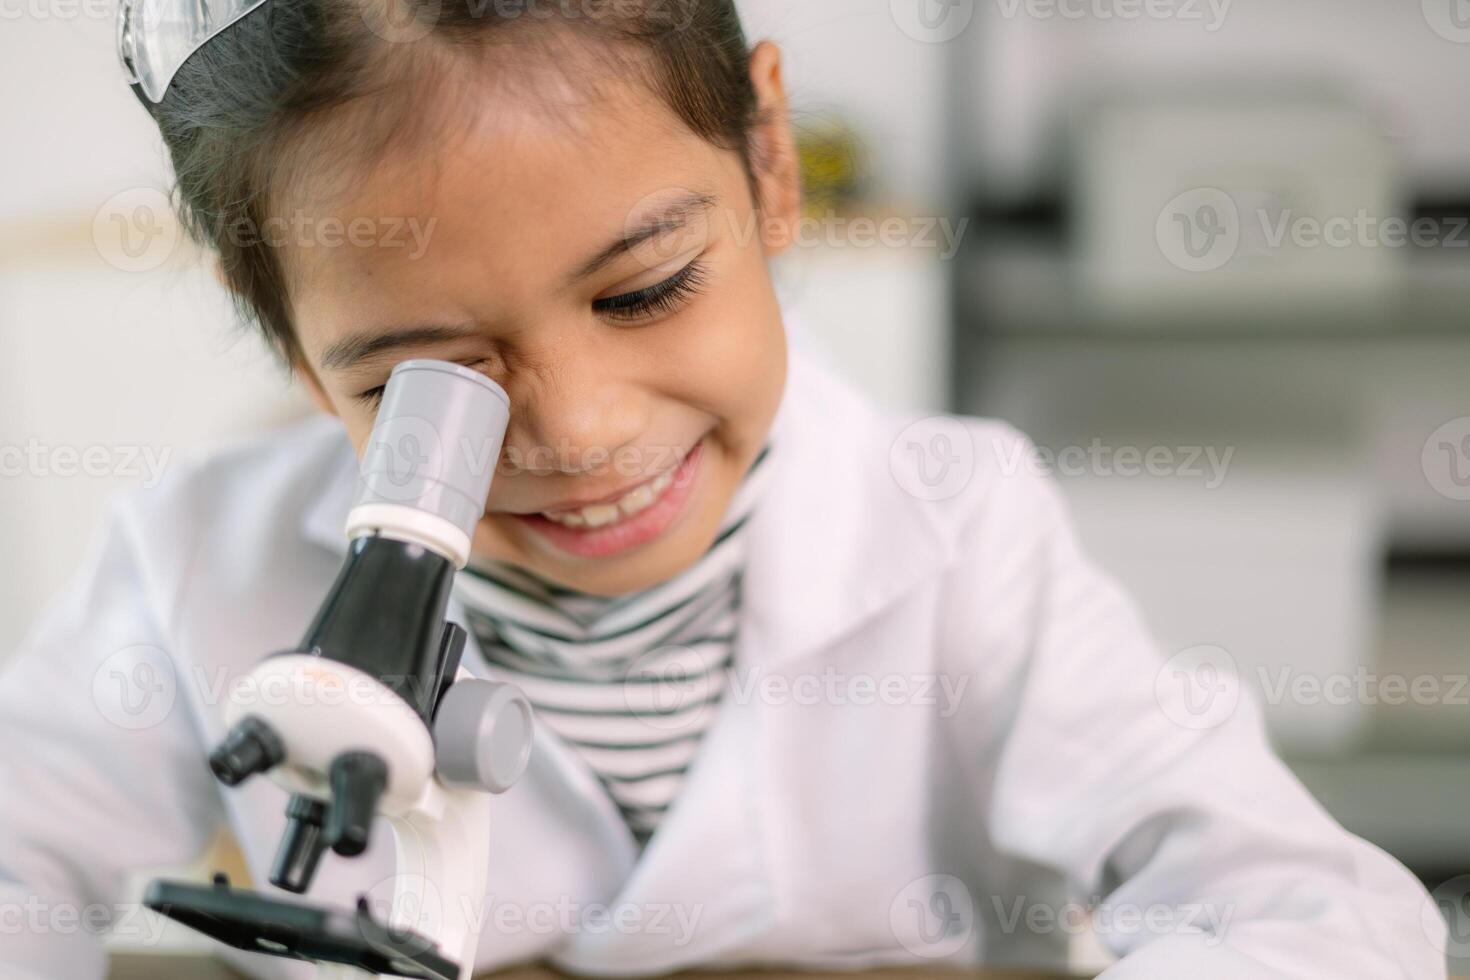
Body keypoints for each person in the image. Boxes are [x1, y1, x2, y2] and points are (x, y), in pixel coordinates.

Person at [0, 1, 1445, 977]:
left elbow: (1310, 911)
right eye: (426, 377)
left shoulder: (962, 530)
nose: (573, 430)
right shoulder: (197, 559)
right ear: (295, 351)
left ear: (766, 159)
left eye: (645, 290)